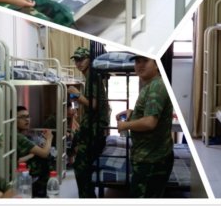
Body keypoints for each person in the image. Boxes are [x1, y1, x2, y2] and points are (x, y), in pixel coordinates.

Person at [117, 57, 174, 199]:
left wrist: (124, 125)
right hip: (148, 157)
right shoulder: (151, 85)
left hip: (152, 161)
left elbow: (150, 122)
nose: (140, 65)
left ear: (156, 64)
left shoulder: (157, 86)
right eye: (137, 62)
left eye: (145, 61)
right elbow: (148, 114)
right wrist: (132, 113)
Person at [68, 47, 110, 198]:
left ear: (89, 59)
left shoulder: (92, 76)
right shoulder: (91, 75)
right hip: (93, 125)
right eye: (76, 60)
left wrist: (76, 94)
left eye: (82, 59)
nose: (78, 63)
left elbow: (93, 105)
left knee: (81, 167)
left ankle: (87, 197)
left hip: (94, 127)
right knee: (84, 163)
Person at [16, 105, 54, 198]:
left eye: (28, 116)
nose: (27, 120)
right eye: (22, 117)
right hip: (20, 169)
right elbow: (44, 153)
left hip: (22, 163)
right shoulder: (18, 136)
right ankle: (40, 192)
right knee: (46, 158)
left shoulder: (22, 134)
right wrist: (49, 138)